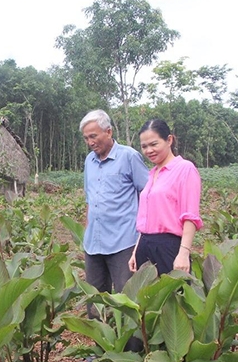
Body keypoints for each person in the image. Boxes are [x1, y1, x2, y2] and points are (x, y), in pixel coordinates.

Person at [80, 109, 149, 308]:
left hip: (123, 241)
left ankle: (130, 341)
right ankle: (101, 340)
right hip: (94, 243)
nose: (90, 142)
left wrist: (142, 235)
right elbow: (89, 199)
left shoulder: (129, 157)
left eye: (93, 136)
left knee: (127, 301)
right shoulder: (89, 161)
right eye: (86, 138)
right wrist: (87, 232)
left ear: (108, 132)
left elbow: (147, 194)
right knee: (95, 302)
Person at [128, 119, 202, 276]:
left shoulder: (184, 169)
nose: (149, 150)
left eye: (154, 144)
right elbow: (146, 218)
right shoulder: (152, 173)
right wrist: (136, 250)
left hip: (169, 247)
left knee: (172, 296)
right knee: (146, 299)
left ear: (169, 140)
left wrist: (183, 253)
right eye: (144, 146)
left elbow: (190, 216)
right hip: (145, 245)